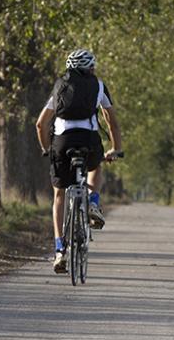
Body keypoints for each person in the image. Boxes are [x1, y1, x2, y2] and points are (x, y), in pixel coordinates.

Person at [36, 49, 123, 274]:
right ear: (90, 67)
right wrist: (116, 148)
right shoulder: (99, 86)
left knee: (59, 195)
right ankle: (93, 202)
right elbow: (111, 120)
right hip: (89, 140)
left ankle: (58, 251)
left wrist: (47, 149)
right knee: (96, 164)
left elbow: (40, 124)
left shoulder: (59, 87)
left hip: (61, 143)